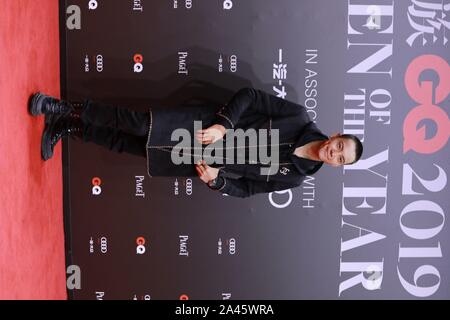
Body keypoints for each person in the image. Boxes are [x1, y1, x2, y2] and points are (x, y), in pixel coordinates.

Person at [28, 87, 363, 198]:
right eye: (339, 146)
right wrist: (223, 125)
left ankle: (68, 129)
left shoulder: (295, 176)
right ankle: (62, 107)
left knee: (127, 146)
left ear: (337, 166)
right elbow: (250, 96)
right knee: (134, 123)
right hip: (202, 127)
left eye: (341, 159)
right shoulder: (299, 118)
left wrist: (216, 182)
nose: (334, 153)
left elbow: (246, 189)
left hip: (199, 161)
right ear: (335, 135)